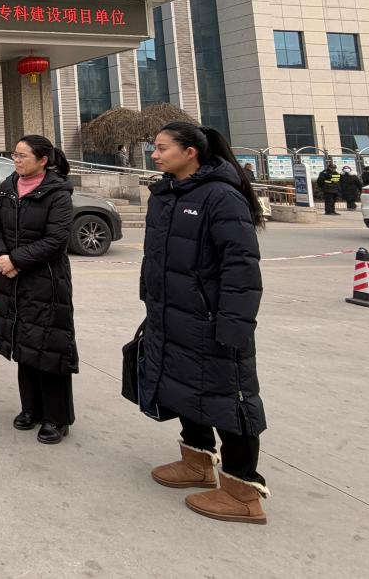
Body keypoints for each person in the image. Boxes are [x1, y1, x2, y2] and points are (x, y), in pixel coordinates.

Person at [142, 122, 269, 525]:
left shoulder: (221, 196)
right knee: (183, 386)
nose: (154, 155)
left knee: (230, 400)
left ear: (190, 152)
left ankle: (243, 492)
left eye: (162, 148)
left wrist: (233, 324)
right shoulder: (166, 194)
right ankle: (197, 462)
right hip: (172, 314)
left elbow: (241, 267)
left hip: (212, 320)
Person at [0, 135, 78, 445]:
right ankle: (31, 409)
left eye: (23, 155)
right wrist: (1, 255)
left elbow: (56, 240)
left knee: (49, 347)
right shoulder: (8, 187)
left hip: (45, 281)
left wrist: (16, 260)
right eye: (15, 154)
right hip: (11, 279)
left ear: (43, 160)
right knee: (23, 343)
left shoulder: (57, 193)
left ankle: (57, 418)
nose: (16, 159)